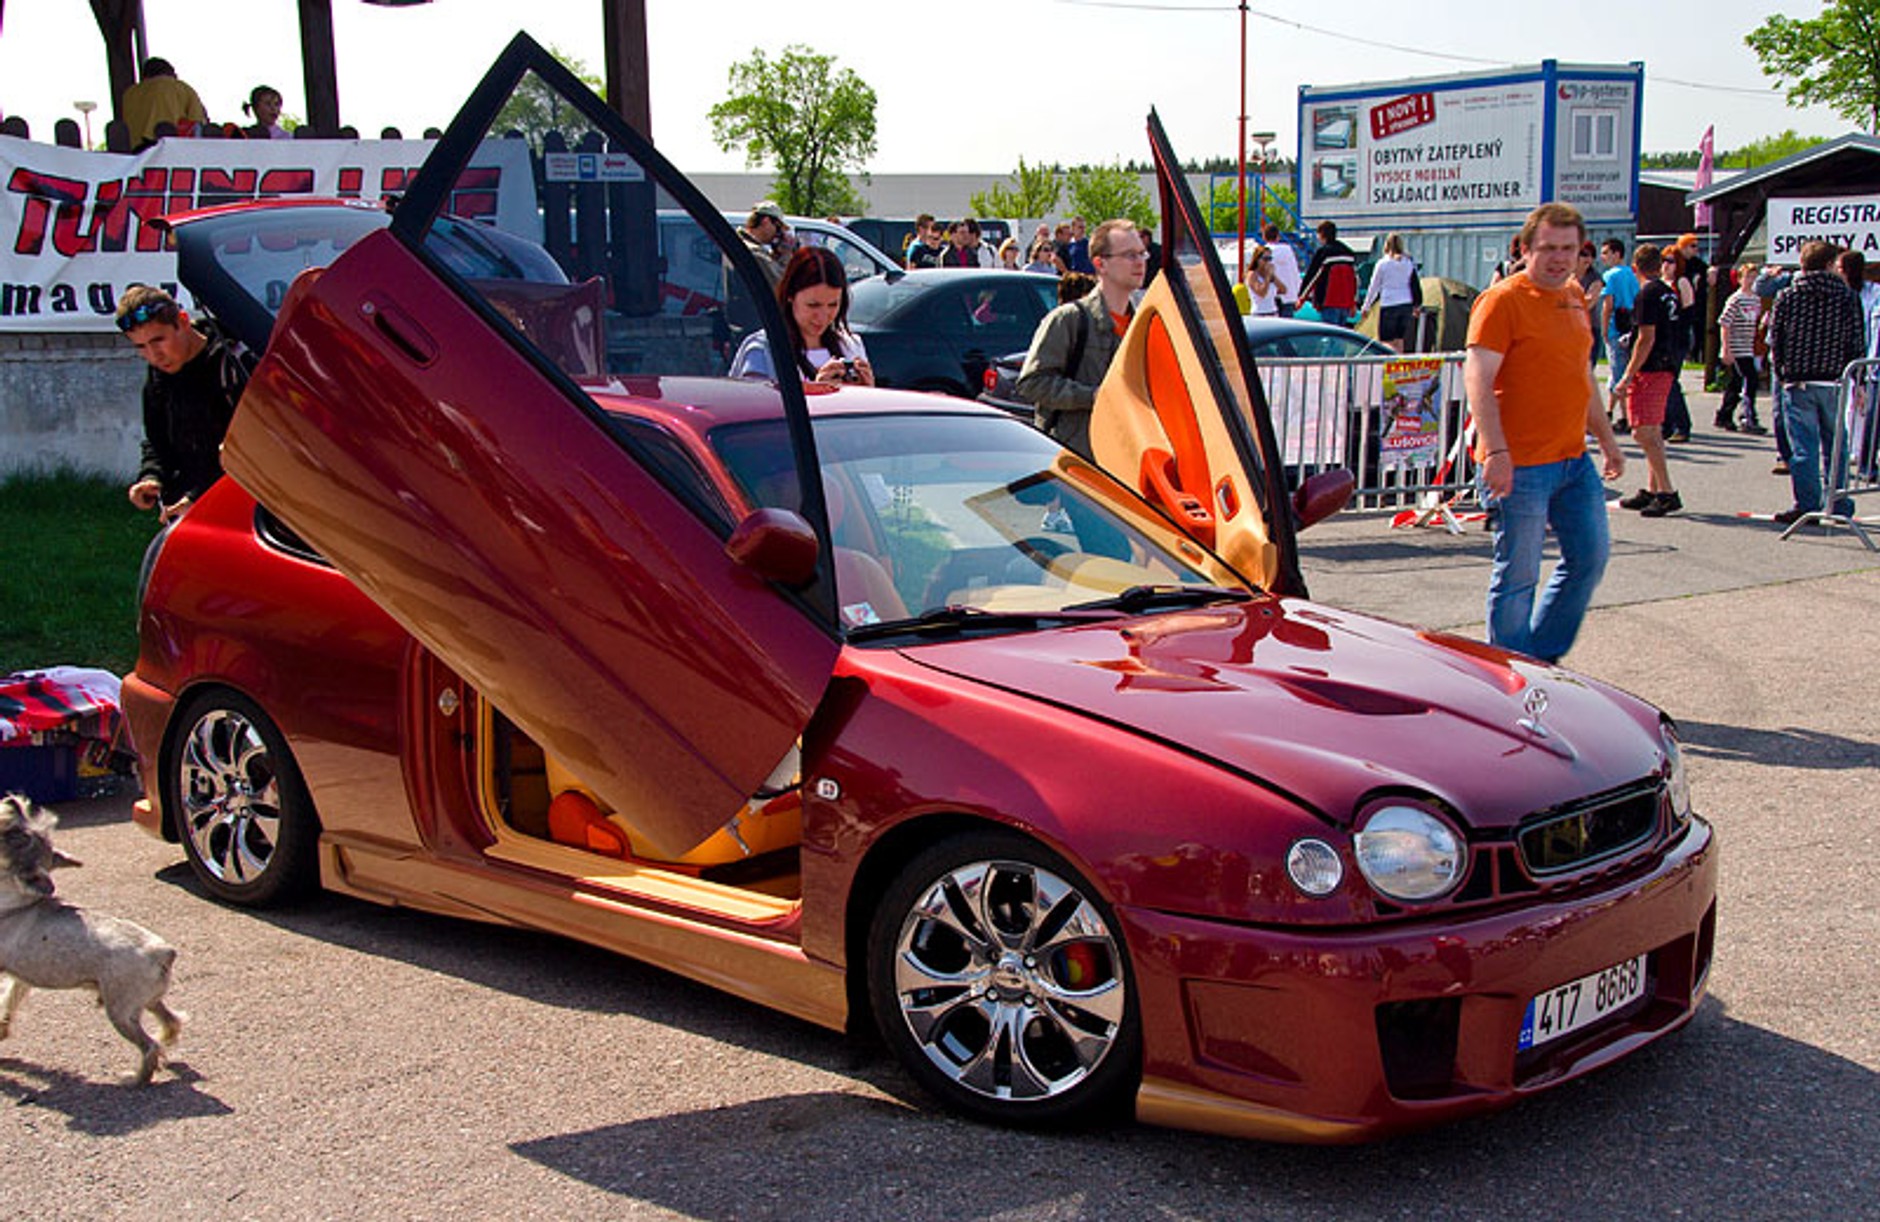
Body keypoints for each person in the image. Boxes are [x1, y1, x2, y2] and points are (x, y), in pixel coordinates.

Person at [1463, 202, 1624, 664]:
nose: (1558, 258)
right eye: (1548, 248)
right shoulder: (1502, 301)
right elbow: (1477, 378)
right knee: (1519, 574)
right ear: (1525, 249)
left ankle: (1540, 660)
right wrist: (1497, 452)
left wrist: (1607, 440)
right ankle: (1511, 669)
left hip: (1573, 461)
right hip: (1520, 465)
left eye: (1568, 249)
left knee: (1590, 558)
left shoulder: (1573, 296)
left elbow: (1581, 377)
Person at [118, 285, 255, 526]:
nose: (154, 355)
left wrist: (199, 497)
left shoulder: (235, 364)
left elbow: (255, 446)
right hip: (185, 511)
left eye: (158, 340)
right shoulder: (159, 375)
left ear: (182, 321)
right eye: (140, 347)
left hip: (246, 510)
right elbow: (157, 441)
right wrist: (151, 477)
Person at [1015, 218, 1148, 461]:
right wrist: (1094, 397)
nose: (1140, 262)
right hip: (1077, 465)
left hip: (1126, 462)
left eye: (1142, 253)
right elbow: (1032, 383)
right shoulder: (1069, 320)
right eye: (1129, 255)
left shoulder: (1143, 327)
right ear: (1100, 263)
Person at [1768, 240, 1865, 524]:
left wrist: (1782, 372)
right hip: (1834, 378)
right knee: (1836, 445)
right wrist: (1857, 379)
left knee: (1803, 447)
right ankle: (1839, 502)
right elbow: (1855, 340)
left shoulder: (1788, 295)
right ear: (1829, 264)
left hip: (1798, 379)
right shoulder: (1846, 297)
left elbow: (1776, 338)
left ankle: (1807, 505)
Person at [729, 246, 875, 387]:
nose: (823, 316)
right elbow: (754, 403)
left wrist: (867, 391)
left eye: (833, 305)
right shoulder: (763, 350)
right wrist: (817, 391)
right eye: (813, 305)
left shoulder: (850, 346)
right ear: (790, 296)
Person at [1610, 245, 1683, 518]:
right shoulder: (1667, 292)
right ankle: (1654, 488)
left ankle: (1667, 491)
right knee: (1652, 429)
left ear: (1635, 268)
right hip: (1666, 362)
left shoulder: (1647, 294)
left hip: (1651, 367)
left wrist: (1628, 374)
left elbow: (1645, 337)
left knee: (1642, 431)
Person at [1715, 264, 1767, 434]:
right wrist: (1726, 348)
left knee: (1737, 383)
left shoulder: (1756, 300)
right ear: (1739, 279)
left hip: (1748, 346)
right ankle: (1747, 416)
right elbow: (1725, 323)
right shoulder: (1736, 299)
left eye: (1754, 277)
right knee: (1749, 380)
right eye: (1747, 277)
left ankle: (1724, 414)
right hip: (1736, 346)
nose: (1750, 281)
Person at [121, 58, 208, 149]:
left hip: (137, 150)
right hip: (170, 146)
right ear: (171, 73)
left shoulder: (129, 94)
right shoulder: (181, 87)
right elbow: (197, 123)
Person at [1599, 239, 1639, 432]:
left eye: (1606, 253)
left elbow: (1608, 305)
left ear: (1617, 254)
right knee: (1626, 370)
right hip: (1631, 326)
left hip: (1616, 326)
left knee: (1618, 373)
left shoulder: (1610, 276)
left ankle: (1625, 416)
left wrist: (1604, 328)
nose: (1603, 257)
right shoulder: (1633, 274)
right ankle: (1610, 410)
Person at [1658, 246, 1696, 442]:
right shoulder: (1659, 283)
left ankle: (1682, 425)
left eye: (1671, 261)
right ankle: (1666, 424)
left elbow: (1688, 314)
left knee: (1671, 382)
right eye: (1663, 260)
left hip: (1677, 339)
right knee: (1662, 383)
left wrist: (1679, 338)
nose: (1666, 265)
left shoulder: (1682, 282)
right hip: (1661, 339)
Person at [1362, 232, 1419, 352]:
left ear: (1386, 245)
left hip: (1389, 303)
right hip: (1406, 303)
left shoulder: (1382, 264)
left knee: (1386, 341)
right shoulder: (1408, 263)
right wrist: (1416, 304)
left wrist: (1366, 306)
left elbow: (1374, 286)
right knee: (1399, 339)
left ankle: (1389, 361)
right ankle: (1399, 360)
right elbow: (1414, 284)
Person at [1298, 220, 1358, 327]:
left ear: (1322, 234)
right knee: (1340, 334)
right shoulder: (1348, 253)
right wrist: (1353, 302)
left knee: (1329, 333)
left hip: (1329, 301)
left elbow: (1313, 276)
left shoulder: (1324, 253)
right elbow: (1354, 280)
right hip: (1345, 303)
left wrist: (1302, 298)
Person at [738, 202, 790, 290]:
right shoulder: (754, 252)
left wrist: (775, 255)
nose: (778, 233)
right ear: (766, 221)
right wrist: (786, 254)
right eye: (778, 227)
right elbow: (782, 285)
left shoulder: (742, 244)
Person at [1576, 241, 1605, 370]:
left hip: (1590, 327)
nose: (1588, 259)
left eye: (1592, 255)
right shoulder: (1565, 276)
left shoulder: (1595, 278)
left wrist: (1567, 303)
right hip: (1568, 328)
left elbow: (1590, 302)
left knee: (1587, 369)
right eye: (1584, 254)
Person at [1261, 222, 1301, 317]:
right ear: (1278, 236)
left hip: (1270, 298)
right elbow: (1294, 272)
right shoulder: (1287, 250)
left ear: (1264, 237)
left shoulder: (1262, 252)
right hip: (1289, 295)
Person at [1243, 244, 1284, 317]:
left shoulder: (1268, 274)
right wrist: (1267, 277)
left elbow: (1283, 290)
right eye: (1265, 259)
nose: (1267, 262)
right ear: (1257, 259)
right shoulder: (1252, 275)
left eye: (1269, 259)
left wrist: (1273, 276)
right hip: (1259, 313)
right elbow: (1262, 293)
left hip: (1273, 311)